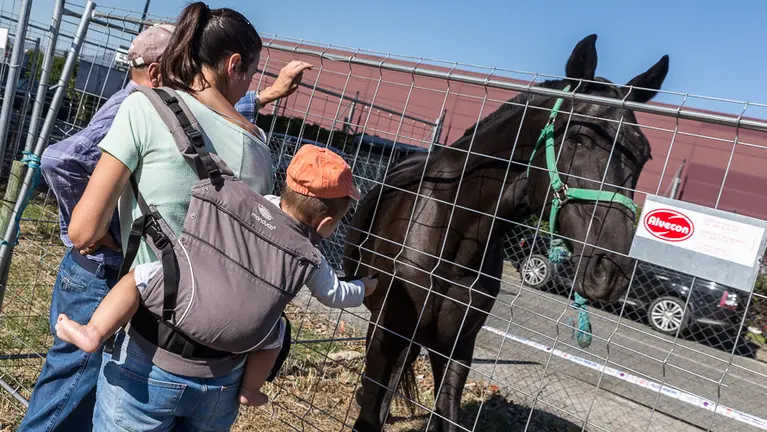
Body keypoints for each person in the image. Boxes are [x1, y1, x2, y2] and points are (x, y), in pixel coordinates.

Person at [20, 20, 311, 432]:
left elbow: (84, 232)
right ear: (233, 65)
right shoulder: (259, 150)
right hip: (219, 365)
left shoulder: (144, 107)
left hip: (149, 347)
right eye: (251, 74)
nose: (248, 85)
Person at [55, 144, 377, 407]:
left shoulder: (253, 202)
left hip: (192, 300)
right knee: (276, 332)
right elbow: (333, 294)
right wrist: (365, 287)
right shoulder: (312, 256)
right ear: (325, 227)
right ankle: (249, 389)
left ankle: (95, 331)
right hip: (244, 333)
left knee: (140, 277)